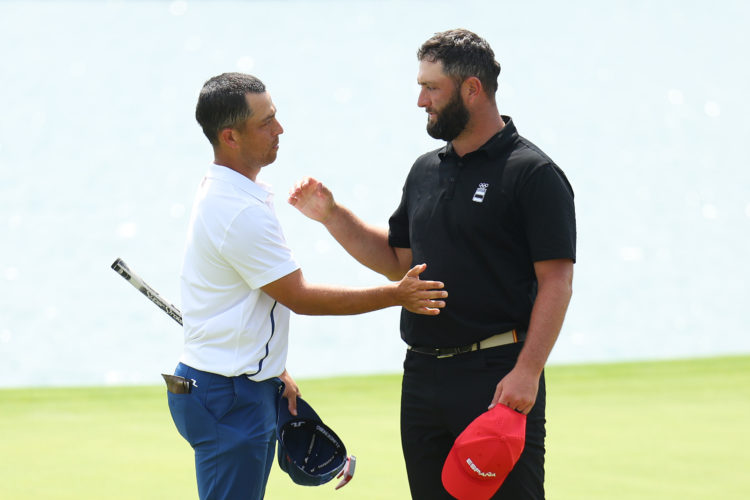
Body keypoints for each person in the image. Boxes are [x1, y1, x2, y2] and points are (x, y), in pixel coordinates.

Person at [288, 29, 576, 499]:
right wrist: (332, 217)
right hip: (422, 378)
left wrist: (528, 372)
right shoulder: (425, 169)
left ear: (471, 89)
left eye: (432, 88)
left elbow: (557, 281)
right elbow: (397, 261)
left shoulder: (533, 173)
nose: (421, 100)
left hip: (496, 377)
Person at [166, 72, 448, 500]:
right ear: (230, 136)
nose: (279, 129)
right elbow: (299, 297)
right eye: (265, 122)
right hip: (227, 396)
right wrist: (396, 295)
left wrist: (272, 370)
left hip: (236, 385)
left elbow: (245, 302)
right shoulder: (238, 210)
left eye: (275, 117)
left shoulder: (237, 192)